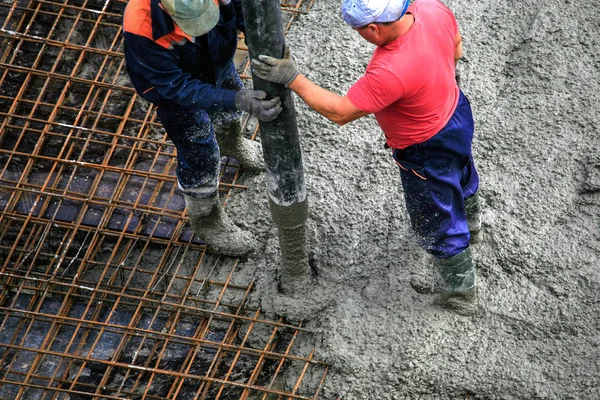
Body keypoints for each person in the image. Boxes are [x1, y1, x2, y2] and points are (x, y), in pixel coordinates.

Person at [251, 0, 482, 313]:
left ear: (374, 28)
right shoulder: (430, 8)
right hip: (456, 112)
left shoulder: (390, 69)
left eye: (358, 30)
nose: (358, 35)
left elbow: (340, 112)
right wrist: (444, 79)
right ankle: (472, 224)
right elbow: (455, 43)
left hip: (425, 146)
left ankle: (460, 292)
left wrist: (293, 78)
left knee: (435, 216)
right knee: (462, 172)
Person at [122, 0, 282, 256]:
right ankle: (207, 220)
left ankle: (232, 142)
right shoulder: (142, 26)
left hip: (215, 56)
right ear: (165, 8)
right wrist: (236, 100)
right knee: (199, 147)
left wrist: (262, 42)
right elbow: (175, 85)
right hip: (173, 87)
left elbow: (244, 11)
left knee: (230, 96)